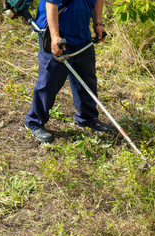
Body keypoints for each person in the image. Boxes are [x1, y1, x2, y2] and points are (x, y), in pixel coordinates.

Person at [25, 0, 111, 143]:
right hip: (58, 35)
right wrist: (54, 37)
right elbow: (51, 4)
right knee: (50, 80)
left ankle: (87, 118)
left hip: (81, 33)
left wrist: (98, 24)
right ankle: (35, 122)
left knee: (87, 77)